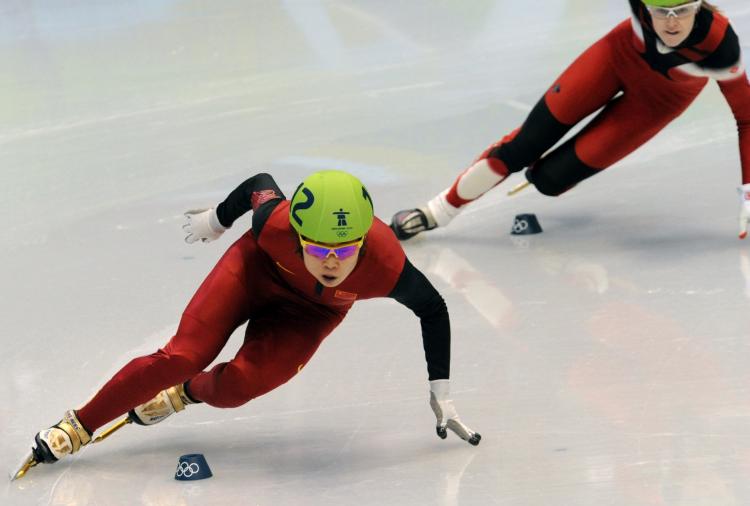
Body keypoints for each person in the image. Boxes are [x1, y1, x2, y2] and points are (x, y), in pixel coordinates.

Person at [14, 170, 480, 480]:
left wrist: (442, 393)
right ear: (297, 234)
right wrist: (217, 220)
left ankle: (185, 394)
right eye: (318, 248)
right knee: (183, 356)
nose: (332, 262)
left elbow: (433, 310)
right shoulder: (274, 224)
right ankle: (80, 424)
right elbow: (260, 184)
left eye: (345, 249)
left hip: (311, 314)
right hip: (253, 272)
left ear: (364, 241)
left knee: (237, 388)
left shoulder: (388, 266)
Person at [391, 0, 750, 240]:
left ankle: (552, 176)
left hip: (659, 101)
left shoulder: (721, 47)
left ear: (700, 5)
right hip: (616, 57)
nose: (671, 23)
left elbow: (746, 118)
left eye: (682, 10)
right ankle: (438, 210)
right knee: (523, 146)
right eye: (660, 10)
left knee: (548, 180)